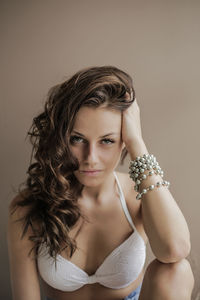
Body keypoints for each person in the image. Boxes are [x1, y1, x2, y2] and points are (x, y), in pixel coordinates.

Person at [7, 66, 194, 300]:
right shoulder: (27, 207)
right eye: (77, 139)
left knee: (176, 271)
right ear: (62, 139)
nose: (90, 158)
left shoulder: (139, 194)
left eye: (106, 140)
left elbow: (175, 250)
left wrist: (137, 142)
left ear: (123, 140)